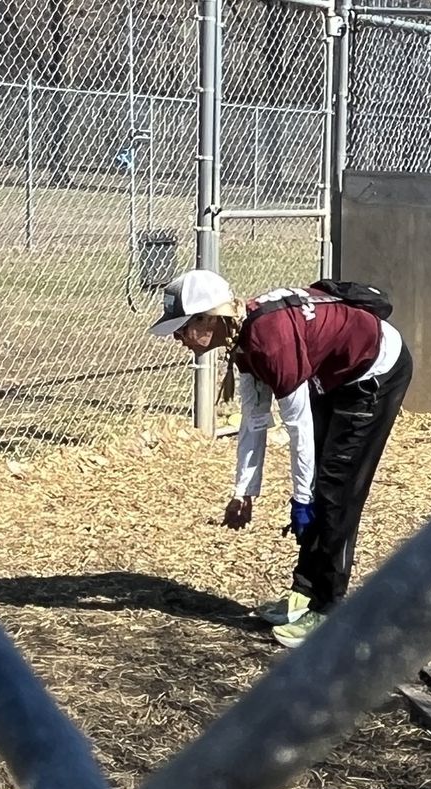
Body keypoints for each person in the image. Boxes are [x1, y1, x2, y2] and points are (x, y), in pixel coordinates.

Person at [151, 269, 413, 647]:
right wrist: (244, 491)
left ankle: (328, 609)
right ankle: (303, 594)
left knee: (335, 490)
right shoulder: (242, 341)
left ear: (210, 317)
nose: (178, 338)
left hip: (375, 374)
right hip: (336, 378)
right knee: (323, 485)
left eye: (182, 327)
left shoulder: (269, 343)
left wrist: (302, 498)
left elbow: (297, 426)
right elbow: (254, 423)